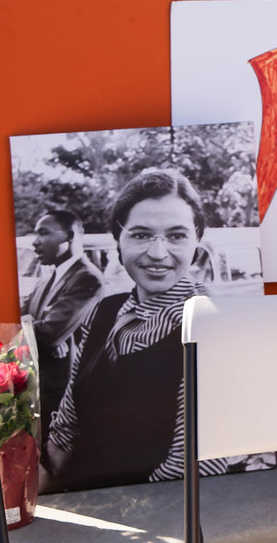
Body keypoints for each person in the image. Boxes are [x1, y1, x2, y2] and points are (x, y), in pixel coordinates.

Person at [43, 169, 217, 490]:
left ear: (196, 242)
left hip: (152, 513)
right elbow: (66, 429)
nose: (157, 253)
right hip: (80, 493)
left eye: (177, 236)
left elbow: (190, 465)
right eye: (140, 234)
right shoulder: (107, 309)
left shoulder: (212, 326)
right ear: (118, 240)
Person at [25, 208, 103, 439]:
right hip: (39, 384)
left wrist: (37, 327)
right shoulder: (50, 275)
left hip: (60, 391)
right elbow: (25, 315)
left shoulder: (87, 278)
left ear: (70, 236)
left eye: (44, 233)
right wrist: (33, 324)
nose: (35, 242)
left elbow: (49, 333)